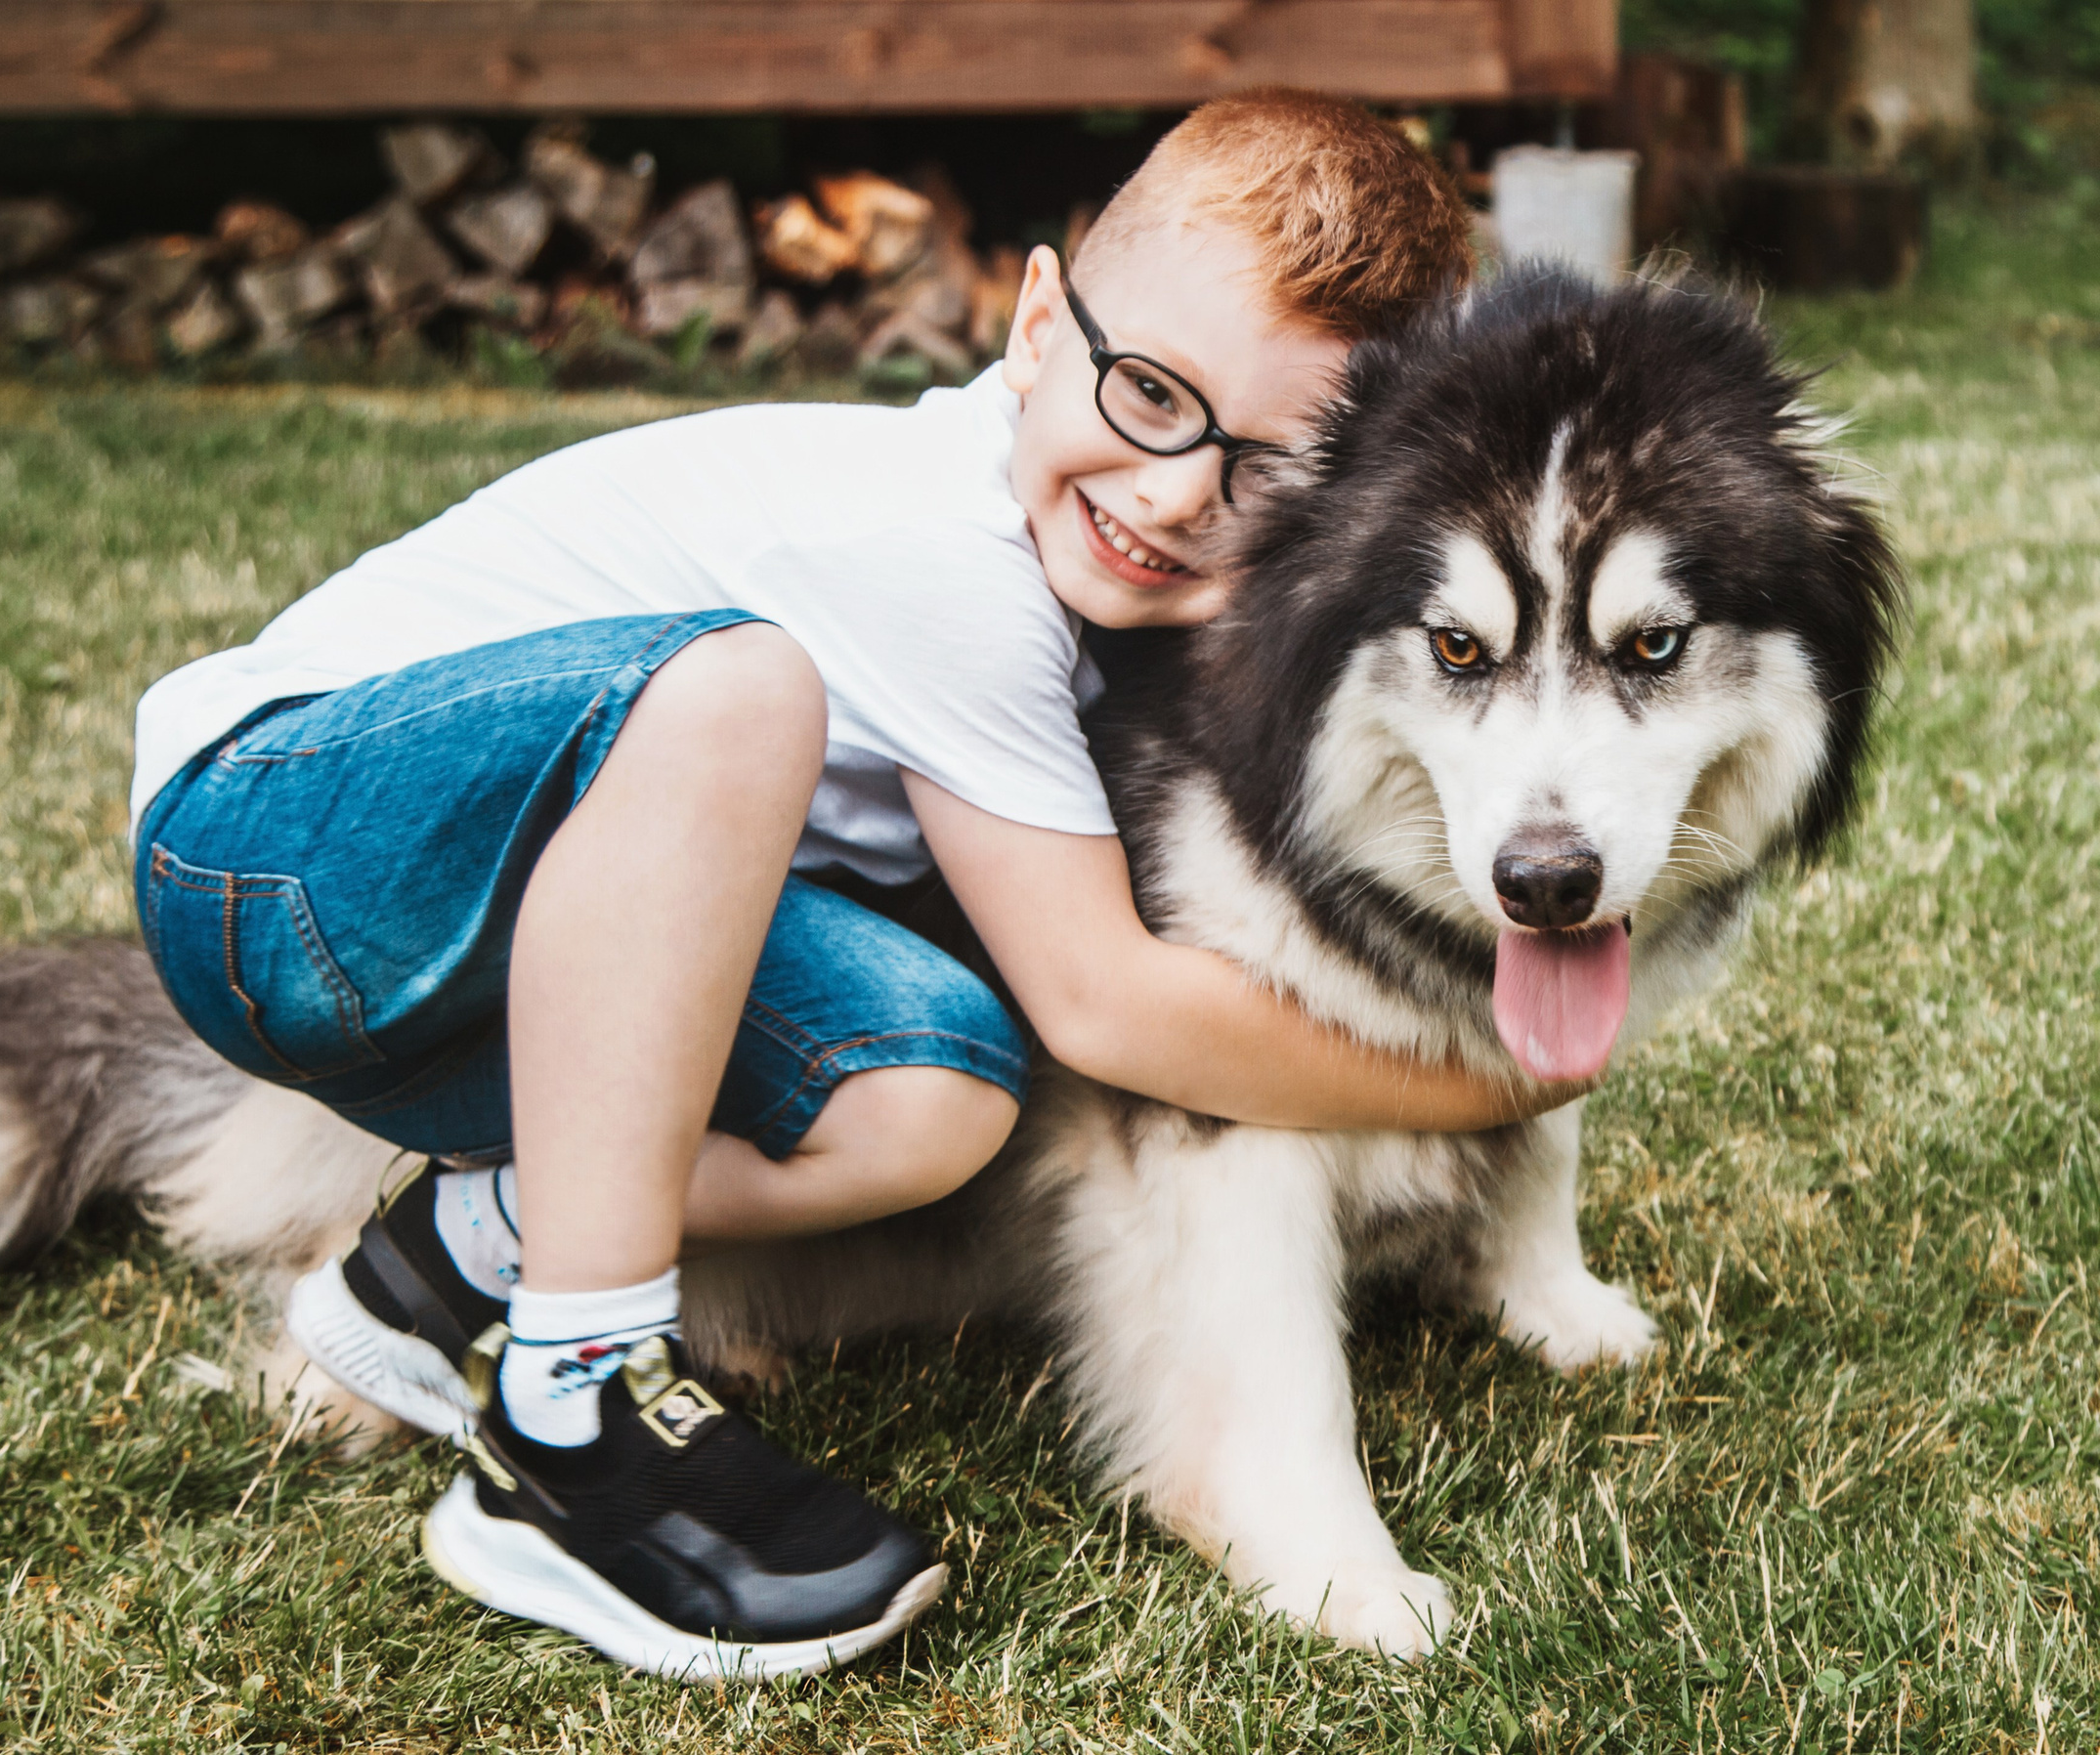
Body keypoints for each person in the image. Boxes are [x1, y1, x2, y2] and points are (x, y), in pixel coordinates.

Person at [127, 91, 1561, 1679]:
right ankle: (570, 1413)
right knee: (737, 699)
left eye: (1273, 468)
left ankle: (461, 1252)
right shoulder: (937, 557)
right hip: (274, 843)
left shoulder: (1089, 569)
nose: (1172, 492)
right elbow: (1108, 1004)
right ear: (1033, 321)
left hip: (511, 931)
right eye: (1150, 392)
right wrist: (1478, 1087)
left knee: (934, 1096)